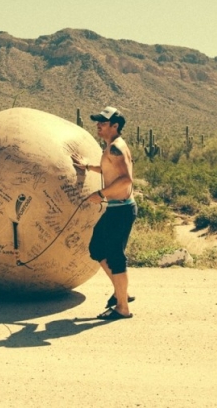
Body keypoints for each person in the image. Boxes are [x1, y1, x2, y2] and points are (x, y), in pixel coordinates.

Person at [71, 106, 136, 320]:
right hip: (117, 208)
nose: (99, 125)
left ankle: (122, 307)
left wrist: (101, 193)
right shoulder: (112, 148)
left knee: (115, 256)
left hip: (121, 209)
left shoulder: (116, 148)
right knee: (98, 248)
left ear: (115, 126)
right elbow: (110, 169)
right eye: (98, 121)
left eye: (104, 122)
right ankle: (122, 293)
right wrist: (88, 166)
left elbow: (125, 179)